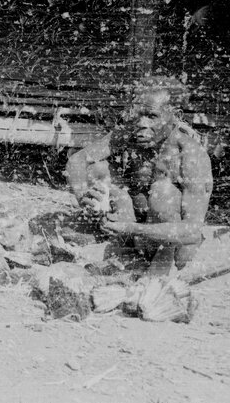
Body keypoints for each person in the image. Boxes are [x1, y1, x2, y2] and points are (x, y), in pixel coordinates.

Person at [65, 77, 213, 276]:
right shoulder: (128, 133)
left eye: (152, 116)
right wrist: (83, 195)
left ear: (174, 116)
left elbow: (192, 231)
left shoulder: (190, 155)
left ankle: (155, 269)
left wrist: (130, 228)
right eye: (138, 115)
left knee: (163, 191)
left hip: (171, 240)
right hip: (135, 227)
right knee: (98, 170)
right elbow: (77, 160)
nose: (142, 124)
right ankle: (125, 251)